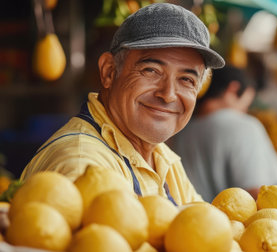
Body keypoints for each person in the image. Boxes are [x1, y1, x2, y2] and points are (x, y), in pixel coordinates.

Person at [20, 3, 226, 205]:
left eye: (187, 80)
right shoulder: (84, 165)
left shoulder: (162, 157)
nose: (168, 95)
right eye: (151, 71)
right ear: (109, 71)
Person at [170, 66, 277, 202]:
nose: (245, 111)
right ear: (233, 89)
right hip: (232, 221)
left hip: (190, 218)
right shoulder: (245, 126)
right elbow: (258, 194)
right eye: (246, 104)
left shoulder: (179, 129)